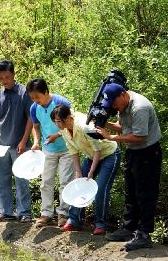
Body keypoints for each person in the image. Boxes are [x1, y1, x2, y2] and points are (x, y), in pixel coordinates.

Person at [96, 84, 162, 251]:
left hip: (147, 153)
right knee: (131, 192)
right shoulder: (123, 104)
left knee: (145, 194)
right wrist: (105, 125)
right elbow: (123, 127)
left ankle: (144, 234)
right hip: (133, 153)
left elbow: (139, 136)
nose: (113, 107)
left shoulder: (140, 107)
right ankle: (128, 228)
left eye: (114, 104)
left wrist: (110, 137)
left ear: (123, 95)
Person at [51, 105, 120, 235]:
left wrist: (91, 171)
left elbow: (97, 149)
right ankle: (74, 220)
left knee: (100, 189)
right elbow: (73, 151)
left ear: (68, 118)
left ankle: (101, 224)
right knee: (79, 185)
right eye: (54, 121)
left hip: (108, 154)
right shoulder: (65, 130)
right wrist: (78, 172)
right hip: (91, 156)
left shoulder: (85, 126)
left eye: (59, 121)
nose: (56, 124)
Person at [0, 60, 33, 223]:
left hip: (20, 145)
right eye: (1, 78)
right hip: (0, 145)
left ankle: (25, 212)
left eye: (7, 77)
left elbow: (30, 118)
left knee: (21, 180)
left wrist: (24, 140)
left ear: (13, 74)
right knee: (2, 180)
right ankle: (6, 211)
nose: (4, 80)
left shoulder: (24, 93)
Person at [26, 78, 75, 227]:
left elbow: (72, 122)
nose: (35, 100)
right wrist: (36, 142)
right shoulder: (34, 108)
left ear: (46, 92)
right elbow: (36, 127)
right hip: (48, 149)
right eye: (32, 98)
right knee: (46, 182)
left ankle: (63, 214)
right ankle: (46, 213)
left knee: (65, 181)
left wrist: (57, 135)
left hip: (67, 148)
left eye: (37, 96)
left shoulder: (61, 102)